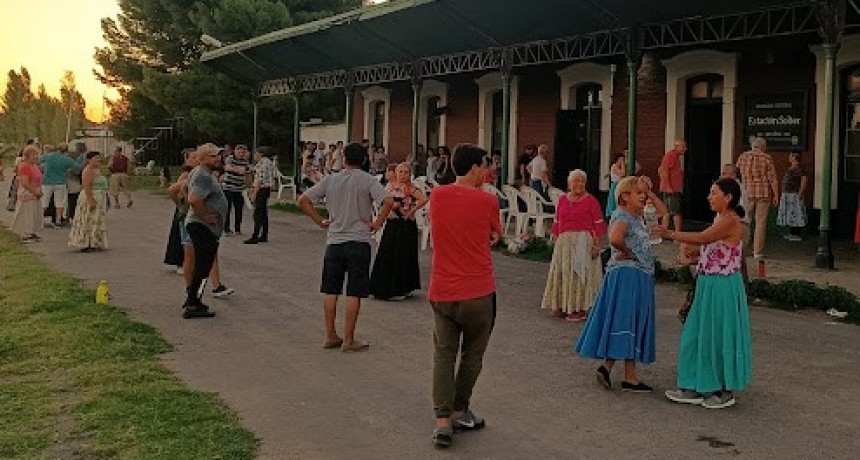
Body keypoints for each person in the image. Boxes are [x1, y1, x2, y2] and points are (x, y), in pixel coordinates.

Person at [427, 144, 501, 448]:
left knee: (444, 353)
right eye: (485, 165)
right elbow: (495, 236)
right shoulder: (488, 201)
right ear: (472, 168)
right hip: (478, 290)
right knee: (472, 354)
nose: (488, 171)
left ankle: (442, 421)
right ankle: (460, 408)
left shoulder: (437, 196)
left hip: (443, 288)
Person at [659, 178, 752, 409]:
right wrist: (693, 256)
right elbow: (712, 249)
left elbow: (703, 238)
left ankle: (721, 388)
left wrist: (670, 233)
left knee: (718, 335)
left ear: (728, 197)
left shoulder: (730, 220)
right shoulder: (720, 218)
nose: (709, 197)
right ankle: (694, 384)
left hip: (722, 286)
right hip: (708, 284)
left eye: (714, 193)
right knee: (697, 334)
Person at [575, 176, 668, 393]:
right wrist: (627, 252)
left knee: (628, 321)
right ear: (625, 196)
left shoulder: (638, 217)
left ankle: (625, 374)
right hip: (630, 274)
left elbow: (663, 214)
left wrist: (651, 193)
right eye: (639, 193)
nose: (644, 197)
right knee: (627, 319)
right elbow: (615, 238)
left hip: (635, 273)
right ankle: (622, 373)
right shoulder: (624, 217)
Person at [298, 142, 393, 352]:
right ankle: (349, 339)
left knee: (331, 290)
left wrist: (320, 221)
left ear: (344, 159)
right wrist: (377, 223)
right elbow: (388, 200)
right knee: (354, 292)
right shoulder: (368, 180)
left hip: (335, 240)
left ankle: (330, 334)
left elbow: (303, 200)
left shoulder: (332, 179)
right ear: (364, 160)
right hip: (359, 239)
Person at [541, 169, 606, 322]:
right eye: (576, 181)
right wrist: (556, 239)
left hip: (583, 241)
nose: (580, 184)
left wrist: (597, 246)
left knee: (579, 274)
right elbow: (557, 222)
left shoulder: (591, 201)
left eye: (582, 181)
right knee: (563, 273)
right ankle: (563, 305)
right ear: (569, 183)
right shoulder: (563, 199)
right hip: (564, 243)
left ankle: (579, 308)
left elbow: (598, 225)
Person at [369, 163, 428, 300]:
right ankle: (381, 287)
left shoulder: (411, 188)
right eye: (400, 172)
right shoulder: (390, 187)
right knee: (387, 253)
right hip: (392, 224)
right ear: (396, 173)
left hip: (406, 225)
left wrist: (412, 211)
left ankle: (402, 288)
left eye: (406, 172)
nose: (403, 175)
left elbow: (424, 199)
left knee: (403, 255)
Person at [182, 143, 228, 319]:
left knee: (202, 265)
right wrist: (206, 216)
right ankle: (194, 304)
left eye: (217, 155)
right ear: (201, 159)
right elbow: (194, 199)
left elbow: (186, 189)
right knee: (203, 267)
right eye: (212, 156)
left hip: (200, 226)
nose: (217, 158)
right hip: (202, 226)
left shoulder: (199, 173)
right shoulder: (203, 175)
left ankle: (192, 299)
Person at [736, 137, 779, 259]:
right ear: (763, 147)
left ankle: (740, 249)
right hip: (763, 193)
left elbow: (737, 173)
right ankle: (757, 252)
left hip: (747, 193)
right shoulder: (767, 158)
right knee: (760, 223)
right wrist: (776, 195)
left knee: (744, 221)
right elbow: (773, 179)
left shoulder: (742, 156)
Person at [68, 152, 109, 251]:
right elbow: (86, 186)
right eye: (96, 158)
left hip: (99, 196)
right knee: (87, 219)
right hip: (90, 196)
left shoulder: (97, 170)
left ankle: (95, 241)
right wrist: (90, 200)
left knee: (96, 220)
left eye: (99, 158)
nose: (98, 160)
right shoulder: (87, 170)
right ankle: (85, 243)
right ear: (89, 160)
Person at [39, 143, 80, 227]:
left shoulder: (49, 156)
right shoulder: (66, 159)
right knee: (59, 202)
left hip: (47, 182)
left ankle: (40, 220)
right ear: (66, 151)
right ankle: (58, 221)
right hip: (60, 182)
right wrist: (68, 169)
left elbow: (38, 161)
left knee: (44, 201)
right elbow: (77, 167)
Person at [10, 145, 44, 243]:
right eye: (33, 154)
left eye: (37, 154)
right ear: (27, 155)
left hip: (36, 191)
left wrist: (39, 191)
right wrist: (34, 191)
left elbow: (39, 179)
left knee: (34, 212)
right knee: (27, 212)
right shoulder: (24, 166)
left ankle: (32, 232)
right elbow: (25, 183)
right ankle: (26, 233)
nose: (36, 156)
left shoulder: (35, 166)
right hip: (28, 192)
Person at [245, 147, 276, 244]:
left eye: (255, 154)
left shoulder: (262, 164)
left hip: (261, 189)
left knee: (257, 213)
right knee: (263, 213)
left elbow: (259, 180)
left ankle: (255, 235)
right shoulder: (268, 162)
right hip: (266, 189)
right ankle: (264, 235)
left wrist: (254, 193)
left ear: (260, 154)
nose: (254, 156)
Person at [777, 152, 808, 242]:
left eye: (790, 156)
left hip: (793, 194)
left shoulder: (798, 168)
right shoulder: (792, 167)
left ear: (794, 157)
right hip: (788, 194)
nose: (789, 157)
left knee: (795, 213)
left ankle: (796, 234)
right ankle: (791, 233)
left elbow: (804, 179)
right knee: (790, 214)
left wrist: (801, 192)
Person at [658, 139, 687, 232]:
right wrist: (669, 186)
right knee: (676, 212)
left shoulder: (674, 156)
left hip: (670, 188)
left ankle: (663, 231)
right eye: (683, 147)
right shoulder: (672, 155)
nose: (685, 149)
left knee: (666, 212)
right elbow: (664, 170)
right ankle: (678, 233)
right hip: (672, 189)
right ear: (676, 147)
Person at [222, 144, 250, 235]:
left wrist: (236, 169)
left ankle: (237, 229)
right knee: (227, 209)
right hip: (228, 187)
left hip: (239, 188)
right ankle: (226, 229)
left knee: (239, 209)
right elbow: (227, 167)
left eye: (243, 152)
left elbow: (246, 170)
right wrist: (238, 170)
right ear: (234, 151)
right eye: (239, 152)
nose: (241, 154)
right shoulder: (230, 158)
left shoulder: (245, 161)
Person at [66, 142, 87, 222]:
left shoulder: (81, 157)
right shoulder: (84, 156)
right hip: (79, 179)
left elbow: (77, 169)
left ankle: (72, 215)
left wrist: (70, 171)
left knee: (73, 197)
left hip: (78, 179)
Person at [606, 153, 626, 218]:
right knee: (614, 200)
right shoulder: (614, 166)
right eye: (621, 159)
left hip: (620, 185)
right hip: (615, 185)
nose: (622, 161)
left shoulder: (617, 167)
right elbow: (622, 173)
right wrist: (623, 164)